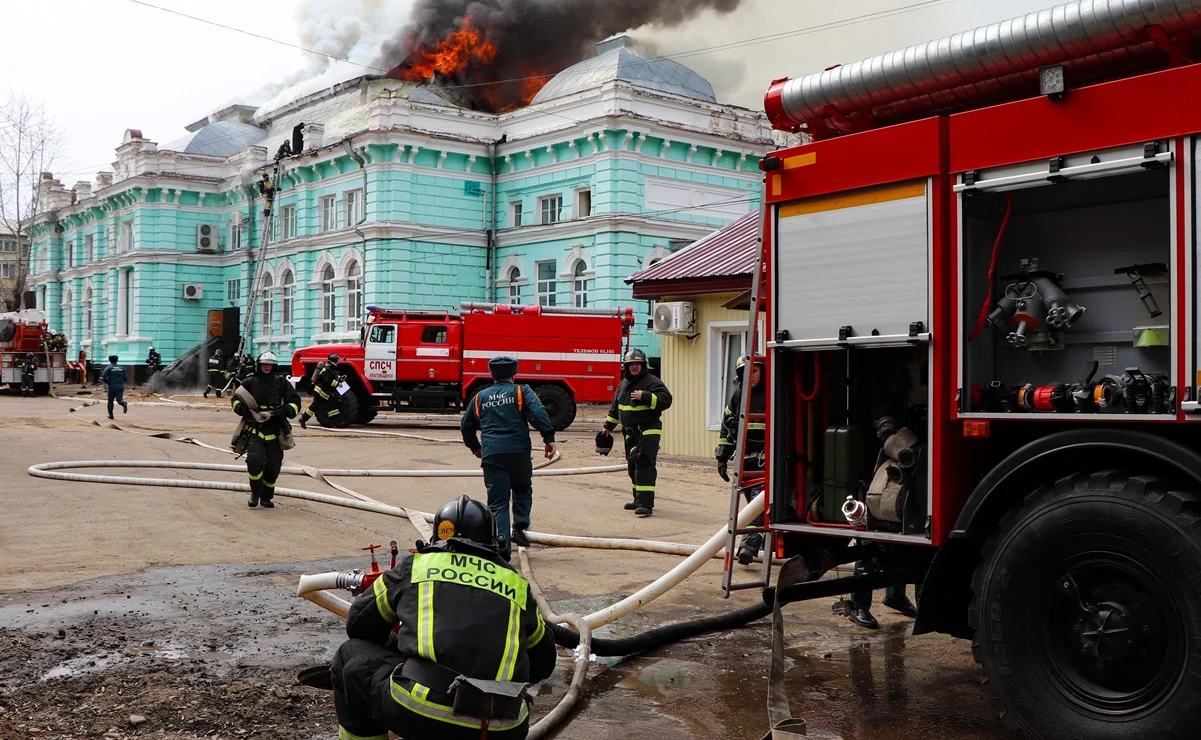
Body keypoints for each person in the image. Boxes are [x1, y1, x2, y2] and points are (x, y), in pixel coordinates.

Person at [331, 495, 556, 740]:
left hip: (423, 713)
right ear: (493, 543)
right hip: (503, 728)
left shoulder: (417, 566)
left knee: (350, 654)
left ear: (436, 537)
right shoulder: (517, 585)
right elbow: (543, 663)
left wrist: (404, 652)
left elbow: (359, 624)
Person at [460, 357, 556, 559]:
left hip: (492, 454)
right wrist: (549, 438)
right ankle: (520, 529)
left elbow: (466, 426)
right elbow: (538, 412)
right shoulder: (522, 391)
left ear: (491, 374)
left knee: (498, 503)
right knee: (522, 488)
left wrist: (476, 448)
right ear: (514, 374)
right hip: (519, 452)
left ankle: (502, 546)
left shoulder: (480, 397)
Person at [601, 348, 672, 517]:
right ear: (626, 366)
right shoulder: (624, 383)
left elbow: (666, 400)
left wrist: (645, 396)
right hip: (630, 434)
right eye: (631, 364)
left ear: (643, 365)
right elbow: (616, 408)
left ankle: (646, 505)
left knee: (644, 466)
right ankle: (637, 499)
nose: (634, 367)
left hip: (647, 431)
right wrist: (607, 427)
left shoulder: (651, 381)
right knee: (632, 466)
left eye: (637, 364)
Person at [230, 351, 300, 508]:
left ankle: (266, 497)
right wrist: (246, 411)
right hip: (255, 430)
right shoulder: (249, 382)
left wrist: (278, 413)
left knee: (273, 467)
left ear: (274, 366)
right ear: (259, 366)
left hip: (276, 431)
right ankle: (255, 493)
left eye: (270, 365)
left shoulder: (282, 383)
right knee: (255, 462)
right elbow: (235, 400)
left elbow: (295, 403)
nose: (267, 367)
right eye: (264, 364)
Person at [716, 356, 766, 565]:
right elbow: (726, 428)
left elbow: (763, 431)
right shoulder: (738, 397)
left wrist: (741, 426)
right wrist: (722, 455)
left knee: (758, 507)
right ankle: (759, 541)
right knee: (756, 509)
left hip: (765, 464)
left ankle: (748, 546)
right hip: (744, 465)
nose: (751, 375)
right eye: (746, 371)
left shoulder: (770, 396)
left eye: (755, 370)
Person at [298, 353, 345, 430]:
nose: (338, 362)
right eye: (337, 360)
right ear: (333, 361)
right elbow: (327, 380)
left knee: (332, 405)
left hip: (325, 392)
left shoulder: (330, 369)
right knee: (315, 406)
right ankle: (303, 418)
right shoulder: (327, 369)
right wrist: (337, 384)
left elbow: (334, 376)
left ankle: (335, 422)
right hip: (320, 391)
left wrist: (340, 378)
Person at [100, 355, 128, 419]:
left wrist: (108, 383)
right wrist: (121, 382)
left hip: (112, 386)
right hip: (120, 386)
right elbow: (126, 378)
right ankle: (123, 403)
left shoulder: (108, 368)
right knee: (119, 399)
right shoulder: (122, 368)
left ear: (109, 360)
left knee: (110, 401)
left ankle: (111, 415)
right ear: (117, 360)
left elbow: (104, 377)